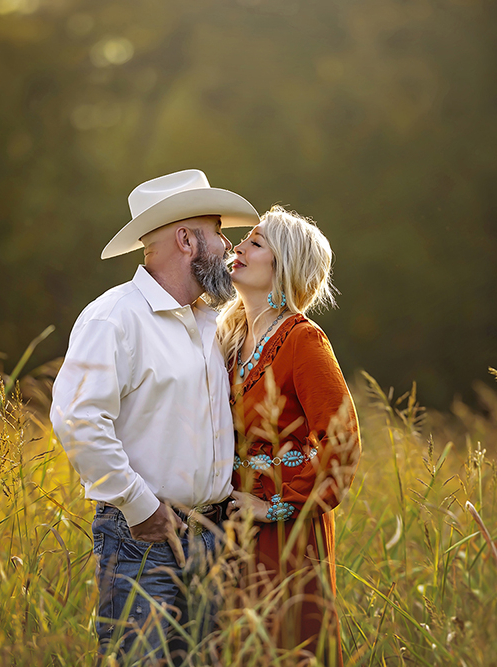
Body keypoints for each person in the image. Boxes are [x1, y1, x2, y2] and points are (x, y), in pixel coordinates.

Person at [50, 169, 258, 662]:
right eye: (216, 233)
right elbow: (77, 420)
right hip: (141, 537)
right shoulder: (114, 317)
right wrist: (140, 506)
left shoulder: (216, 322)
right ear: (186, 239)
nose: (227, 247)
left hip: (212, 537)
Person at [219, 205, 361, 666]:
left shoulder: (303, 339)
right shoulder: (225, 336)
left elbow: (342, 441)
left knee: (287, 648)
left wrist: (274, 504)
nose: (238, 247)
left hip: (287, 533)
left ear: (286, 267)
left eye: (256, 243)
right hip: (226, 530)